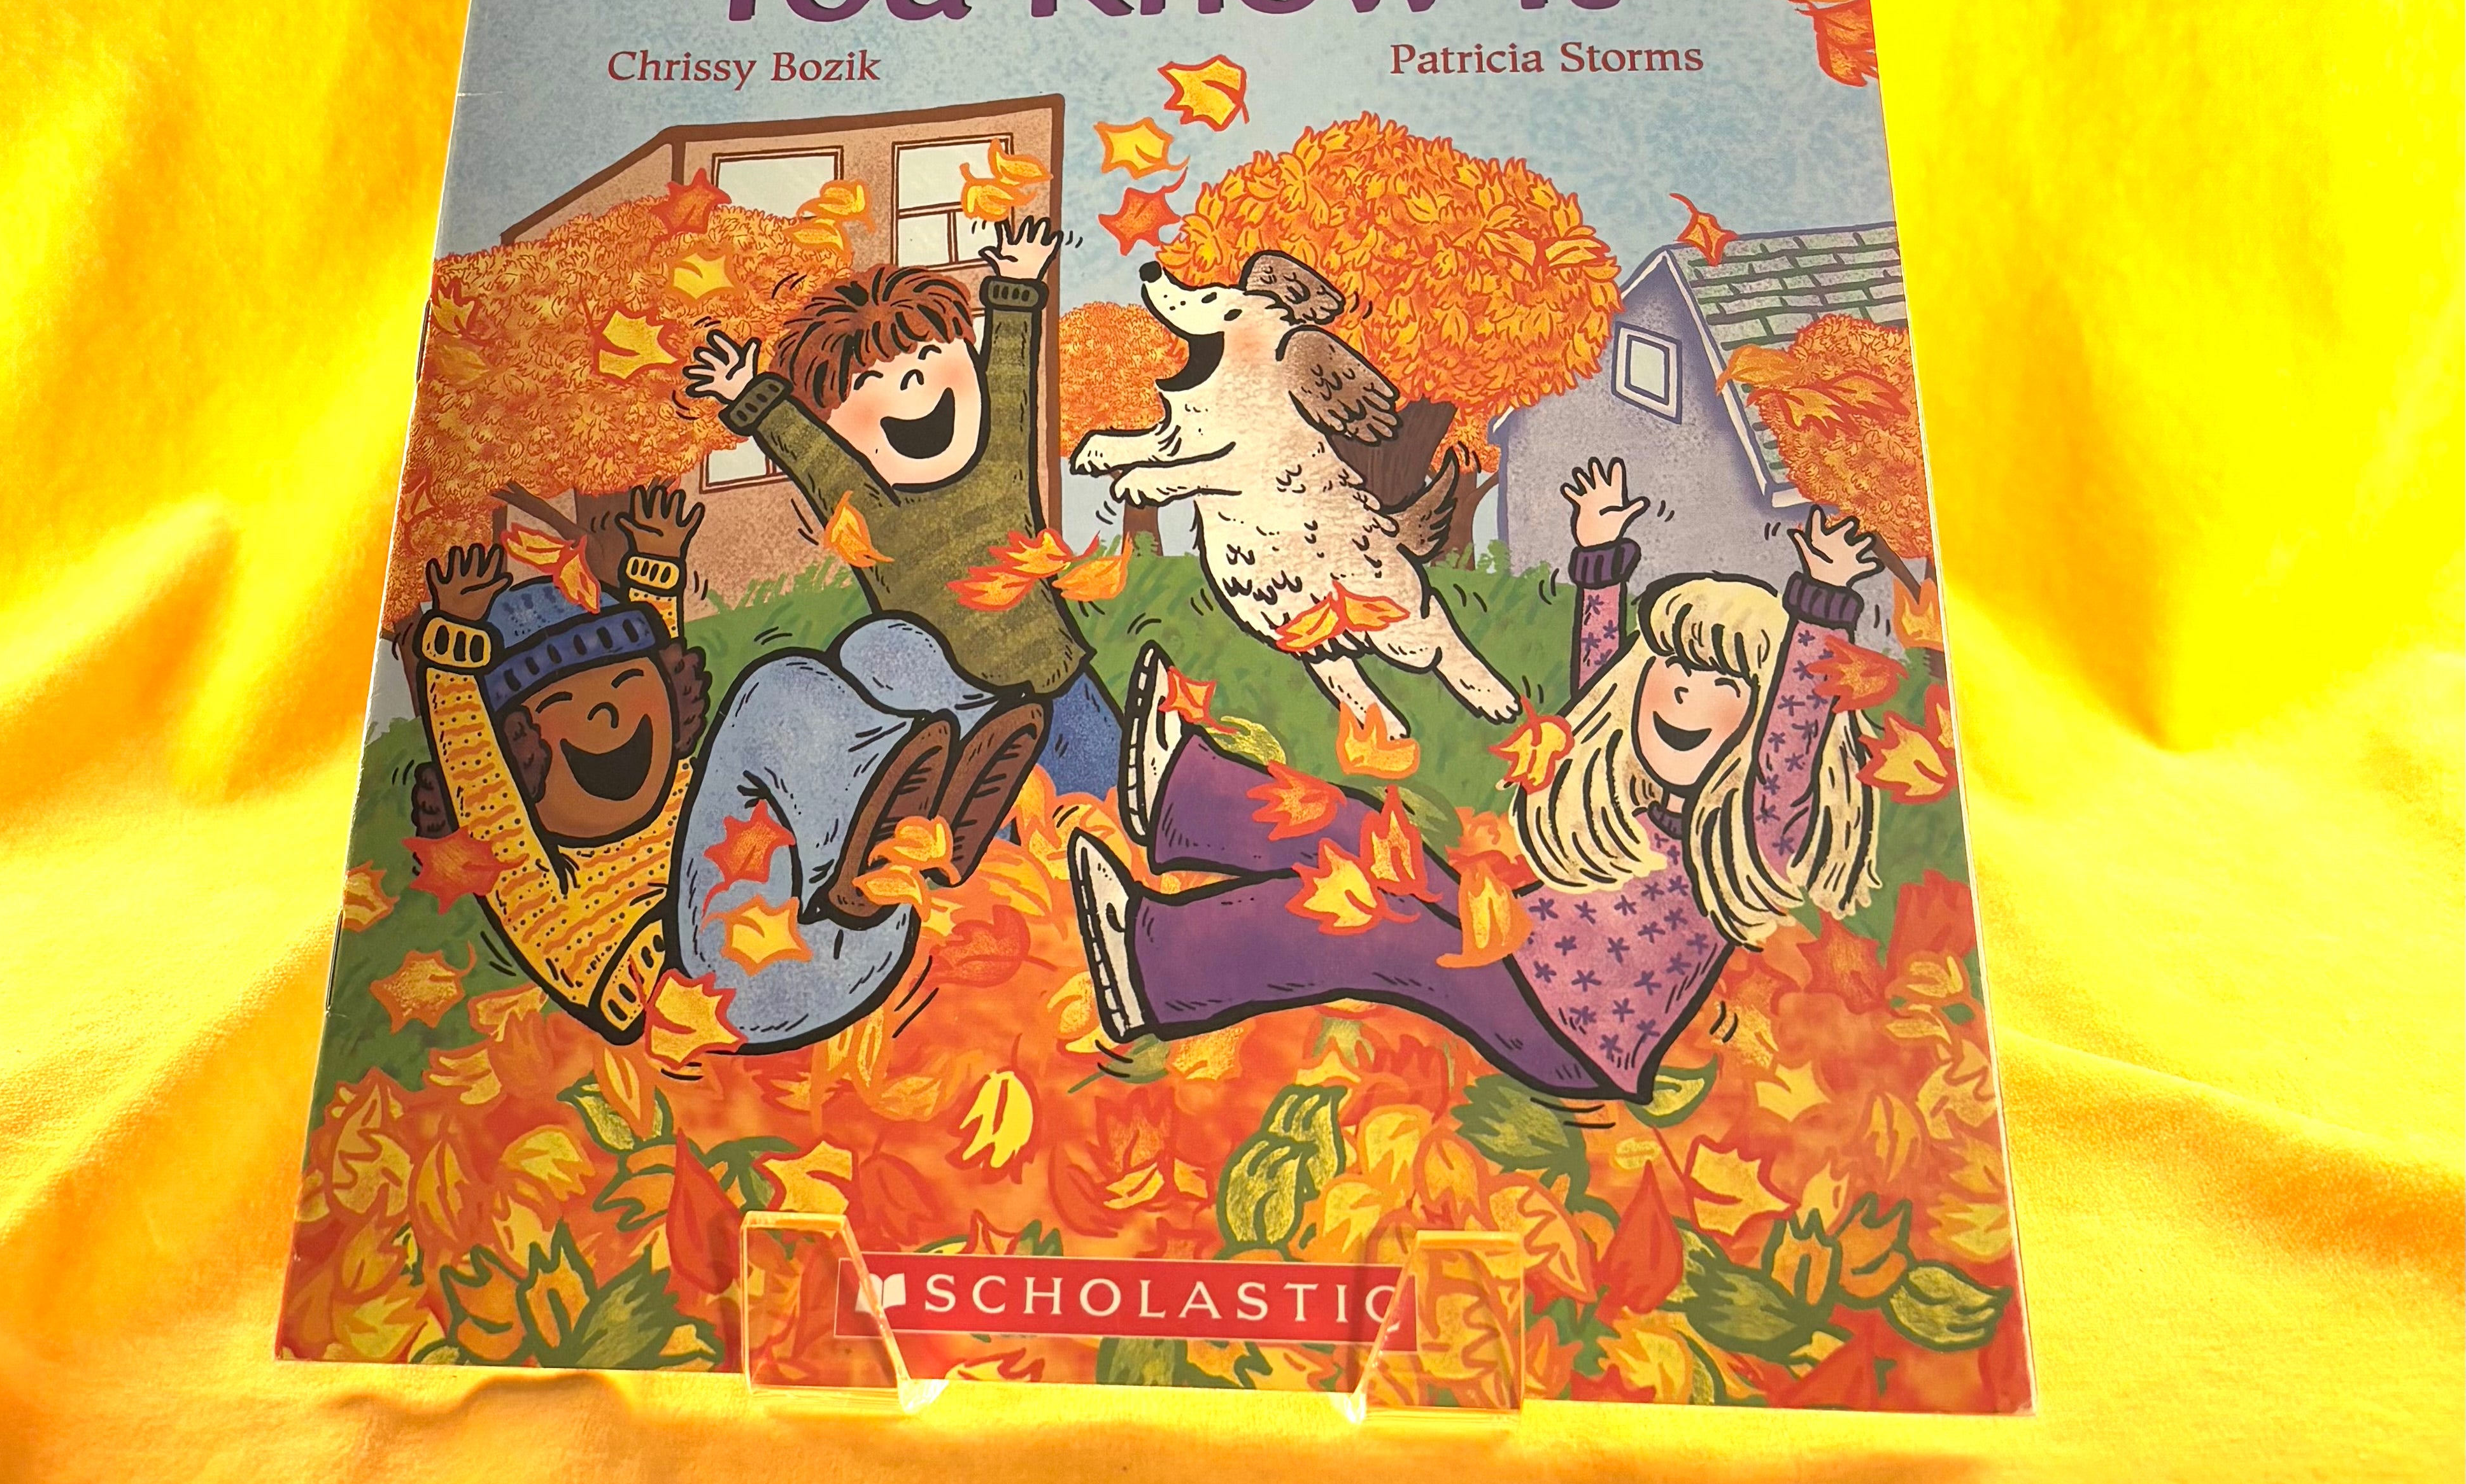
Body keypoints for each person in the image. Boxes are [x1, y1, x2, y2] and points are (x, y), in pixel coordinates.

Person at [1067, 462, 1883, 1103]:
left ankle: (1153, 967)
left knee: (1369, 923)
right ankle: (1184, 798)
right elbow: (1595, 698)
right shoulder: (1637, 791)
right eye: (1670, 665)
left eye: (1721, 684)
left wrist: (1821, 607)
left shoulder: (1753, 829)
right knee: (1362, 834)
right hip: (1515, 956)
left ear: (1760, 725)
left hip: (1565, 1032)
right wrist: (1599, 561)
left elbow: (1790, 741)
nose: (1680, 693)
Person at [403, 484, 1044, 1047]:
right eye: (564, 706)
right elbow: (474, 772)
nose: (609, 713)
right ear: (517, 751)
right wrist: (454, 653)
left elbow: (658, 657)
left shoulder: (677, 789)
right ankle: (866, 836)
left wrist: (656, 569)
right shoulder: (525, 868)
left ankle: (956, 776)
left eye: (627, 683)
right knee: (771, 693)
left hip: (858, 929)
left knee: (878, 647)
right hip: (717, 989)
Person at [683, 213, 1123, 796]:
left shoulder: (1000, 463)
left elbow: (1010, 375)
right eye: (871, 385)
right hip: (969, 728)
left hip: (1066, 690)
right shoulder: (870, 512)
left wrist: (1018, 283)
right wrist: (749, 396)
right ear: (838, 428)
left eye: (928, 358)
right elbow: (814, 458)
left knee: (1118, 807)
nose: (913, 386)